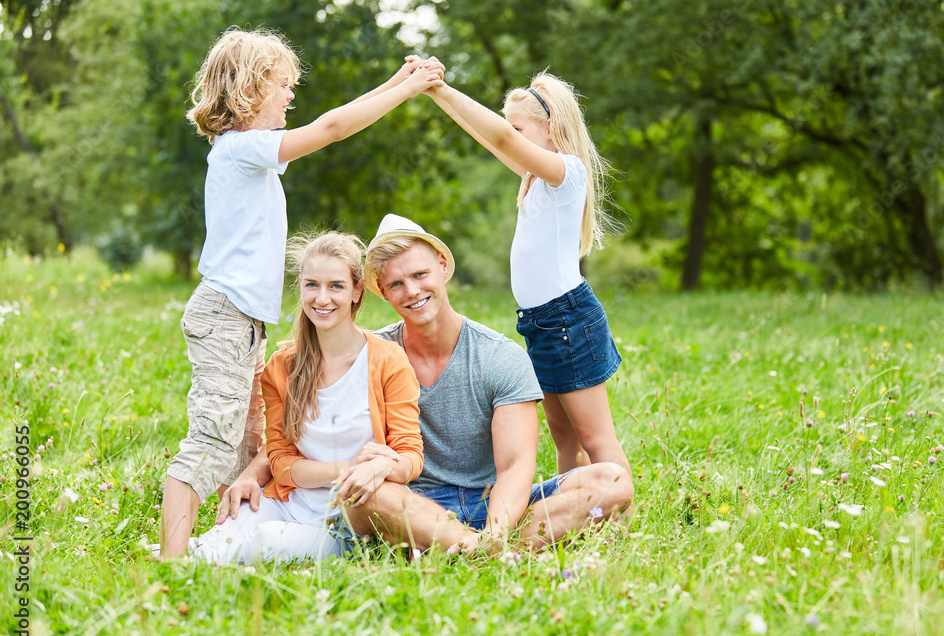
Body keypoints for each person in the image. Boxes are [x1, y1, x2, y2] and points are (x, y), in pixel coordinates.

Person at [160, 26, 444, 558]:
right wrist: (406, 90)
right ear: (249, 89)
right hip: (225, 316)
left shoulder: (245, 152)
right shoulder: (242, 148)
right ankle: (172, 563)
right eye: (282, 85)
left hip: (242, 322)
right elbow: (333, 128)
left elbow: (332, 122)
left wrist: (395, 80)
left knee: (248, 445)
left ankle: (224, 542)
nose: (291, 95)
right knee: (210, 442)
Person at [331, 214, 633, 553]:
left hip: (494, 503)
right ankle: (489, 550)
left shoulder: (499, 357)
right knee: (361, 498)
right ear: (383, 292)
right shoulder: (372, 354)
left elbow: (514, 466)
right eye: (397, 284)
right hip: (415, 505)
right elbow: (306, 401)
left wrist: (495, 530)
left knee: (614, 482)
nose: (413, 291)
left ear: (442, 266)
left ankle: (475, 547)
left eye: (420, 275)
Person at [421, 72, 632, 487]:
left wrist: (444, 88)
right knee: (564, 437)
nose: (510, 134)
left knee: (596, 438)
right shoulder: (535, 178)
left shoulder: (567, 172)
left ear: (549, 127)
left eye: (518, 127)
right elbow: (491, 138)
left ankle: (617, 516)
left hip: (567, 321)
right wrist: (436, 96)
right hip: (541, 323)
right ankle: (575, 511)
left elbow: (500, 138)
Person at [189, 231, 423, 563]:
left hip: (348, 522)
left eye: (336, 286)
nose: (322, 298)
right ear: (301, 286)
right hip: (287, 503)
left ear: (357, 292)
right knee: (203, 550)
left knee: (265, 542)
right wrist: (348, 466)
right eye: (312, 285)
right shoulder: (282, 368)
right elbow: (281, 464)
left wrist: (382, 465)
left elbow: (411, 457)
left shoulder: (387, 360)